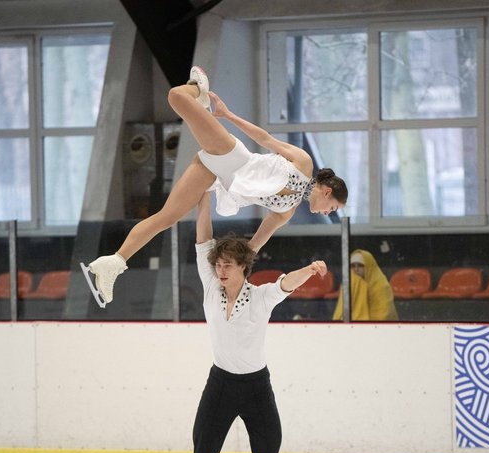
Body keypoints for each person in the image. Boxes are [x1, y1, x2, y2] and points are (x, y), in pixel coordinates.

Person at [82, 66, 347, 307]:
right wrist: (227, 115)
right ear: (327, 191)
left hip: (218, 177)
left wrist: (239, 268)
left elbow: (253, 246)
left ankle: (114, 262)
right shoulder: (303, 163)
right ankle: (200, 87)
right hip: (233, 156)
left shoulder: (286, 212)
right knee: (177, 97)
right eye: (332, 207)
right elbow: (265, 138)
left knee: (168, 216)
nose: (327, 213)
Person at [161, 193, 328, 453]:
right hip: (220, 385)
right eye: (218, 264)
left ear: (243, 268)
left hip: (256, 388)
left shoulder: (262, 296)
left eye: (228, 265)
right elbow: (202, 238)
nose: (221, 270)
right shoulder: (210, 286)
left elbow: (286, 283)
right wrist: (201, 199)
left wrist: (311, 268)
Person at [332, 249, 398, 321]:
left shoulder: (381, 285)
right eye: (353, 266)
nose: (356, 269)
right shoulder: (350, 283)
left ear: (369, 266)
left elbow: (385, 314)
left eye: (360, 266)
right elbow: (341, 311)